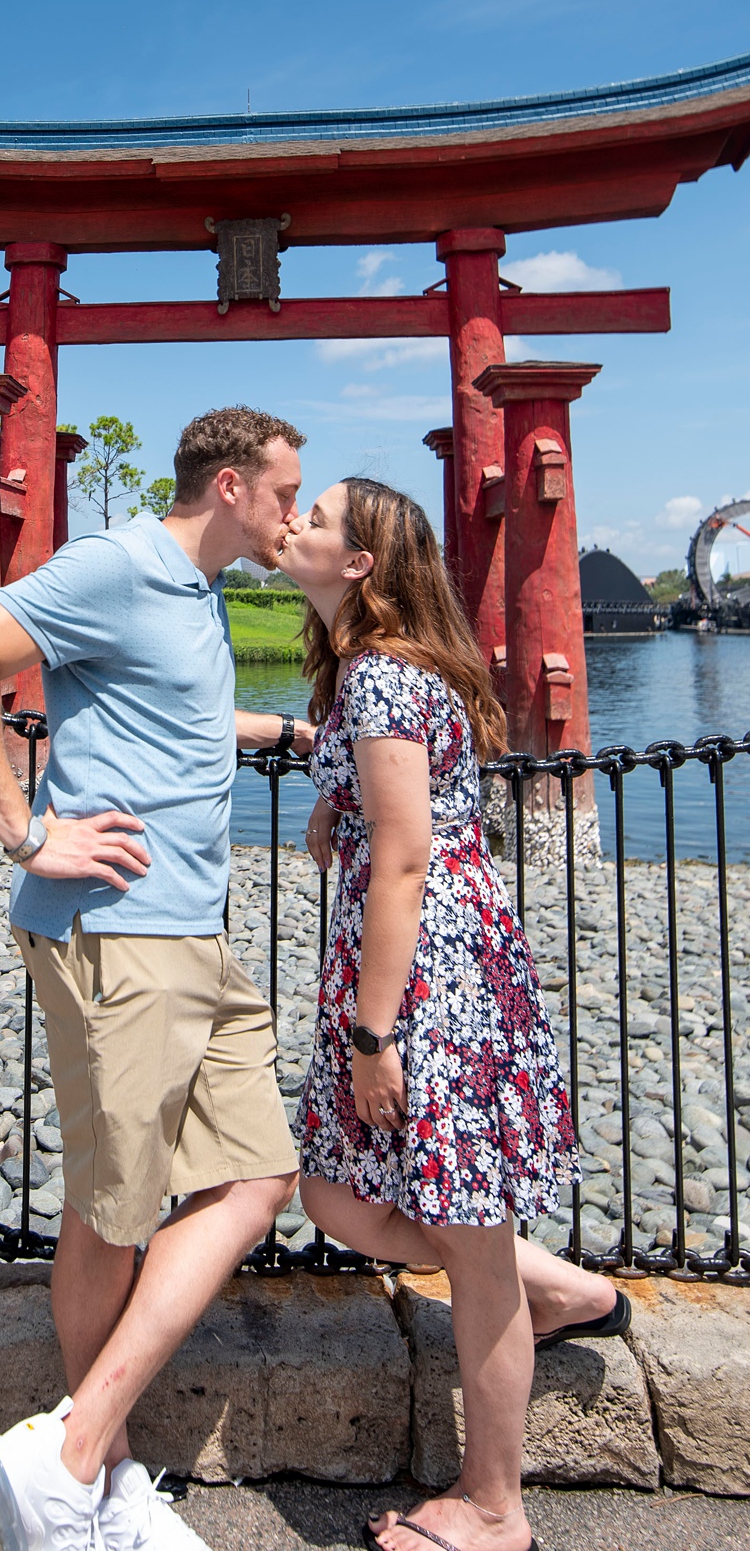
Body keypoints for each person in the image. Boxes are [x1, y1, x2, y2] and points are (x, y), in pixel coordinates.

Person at [0, 406, 309, 1551]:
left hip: (195, 930)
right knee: (117, 1206)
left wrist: (285, 731)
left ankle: (77, 1446)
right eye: (288, 490)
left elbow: (172, 714)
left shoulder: (198, 590)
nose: (295, 510)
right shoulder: (121, 563)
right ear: (231, 484)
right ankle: (94, 1474)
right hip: (119, 931)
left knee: (256, 1175)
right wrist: (28, 832)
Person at [275, 477, 629, 1551]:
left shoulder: (380, 678)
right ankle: (560, 1286)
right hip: (438, 957)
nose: (294, 521)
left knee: (466, 1248)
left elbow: (404, 856)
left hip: (430, 980)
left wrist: (373, 1032)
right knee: (336, 1190)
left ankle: (493, 1507)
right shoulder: (366, 677)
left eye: (319, 517)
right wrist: (322, 771)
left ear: (360, 565)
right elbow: (386, 806)